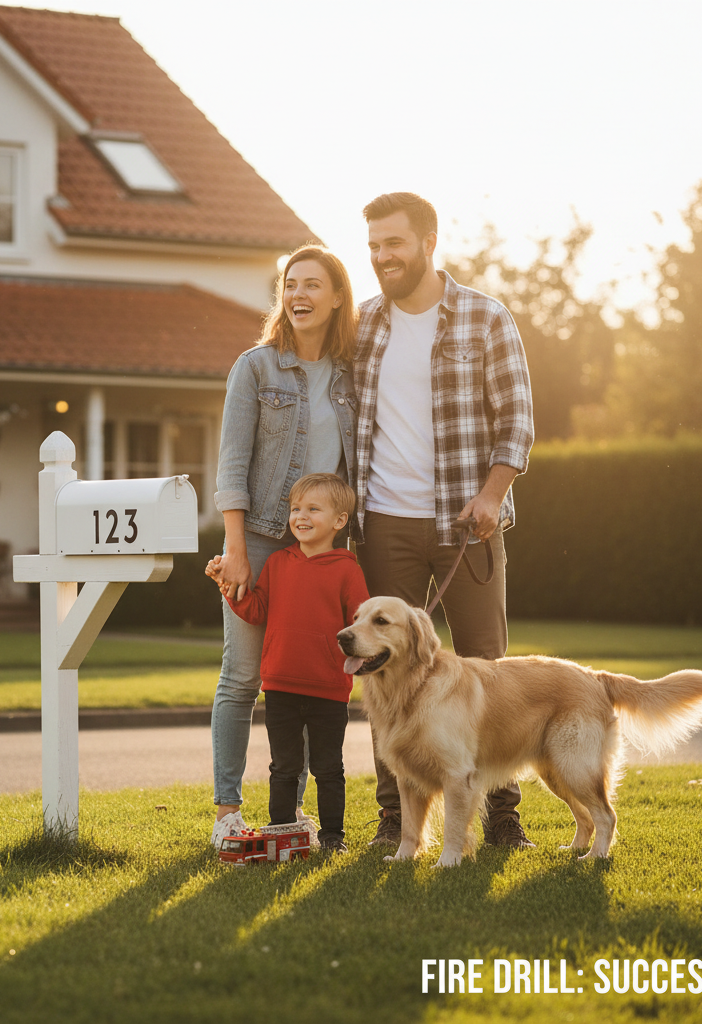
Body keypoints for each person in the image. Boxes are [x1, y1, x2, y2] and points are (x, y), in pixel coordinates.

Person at [352, 192, 536, 850]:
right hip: (385, 523)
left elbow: (516, 420)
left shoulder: (485, 318)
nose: (381, 257)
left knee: (488, 666)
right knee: (383, 674)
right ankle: (395, 824)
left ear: (429, 242)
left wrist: (492, 494)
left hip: (468, 524)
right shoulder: (364, 323)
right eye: (373, 245)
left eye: (393, 244)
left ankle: (503, 818)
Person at [209, 245, 359, 848]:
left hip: (325, 554)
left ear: (337, 297)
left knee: (302, 683)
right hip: (265, 542)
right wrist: (237, 546)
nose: (298, 295)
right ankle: (226, 813)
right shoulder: (256, 367)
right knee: (243, 677)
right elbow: (233, 463)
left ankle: (290, 817)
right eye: (290, 285)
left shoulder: (354, 374)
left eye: (312, 285)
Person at [207, 473, 369, 852]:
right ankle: (282, 835)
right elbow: (257, 609)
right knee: (283, 767)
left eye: (313, 509)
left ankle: (332, 837)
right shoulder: (279, 563)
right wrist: (229, 589)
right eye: (296, 508)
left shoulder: (348, 570)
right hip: (280, 686)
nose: (301, 516)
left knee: (329, 769)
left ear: (339, 521)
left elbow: (360, 624)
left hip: (329, 689)